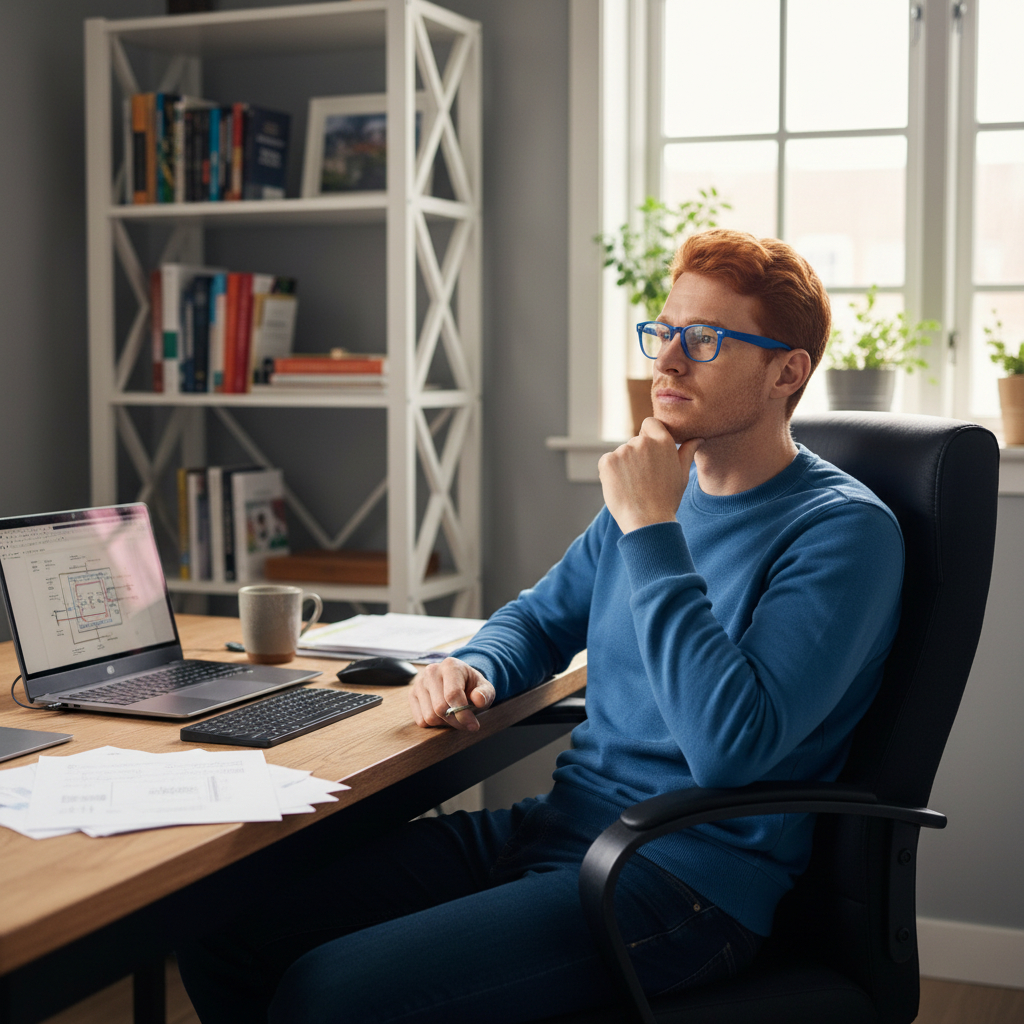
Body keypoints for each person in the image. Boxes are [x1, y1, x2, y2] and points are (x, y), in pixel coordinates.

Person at [177, 229, 904, 1024]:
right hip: (561, 828)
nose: (666, 361)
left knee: (329, 995)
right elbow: (541, 615)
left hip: (683, 882)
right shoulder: (655, 497)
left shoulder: (840, 532)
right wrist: (479, 665)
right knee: (225, 923)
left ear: (786, 371)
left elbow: (730, 749)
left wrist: (652, 528)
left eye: (704, 340)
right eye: (663, 332)